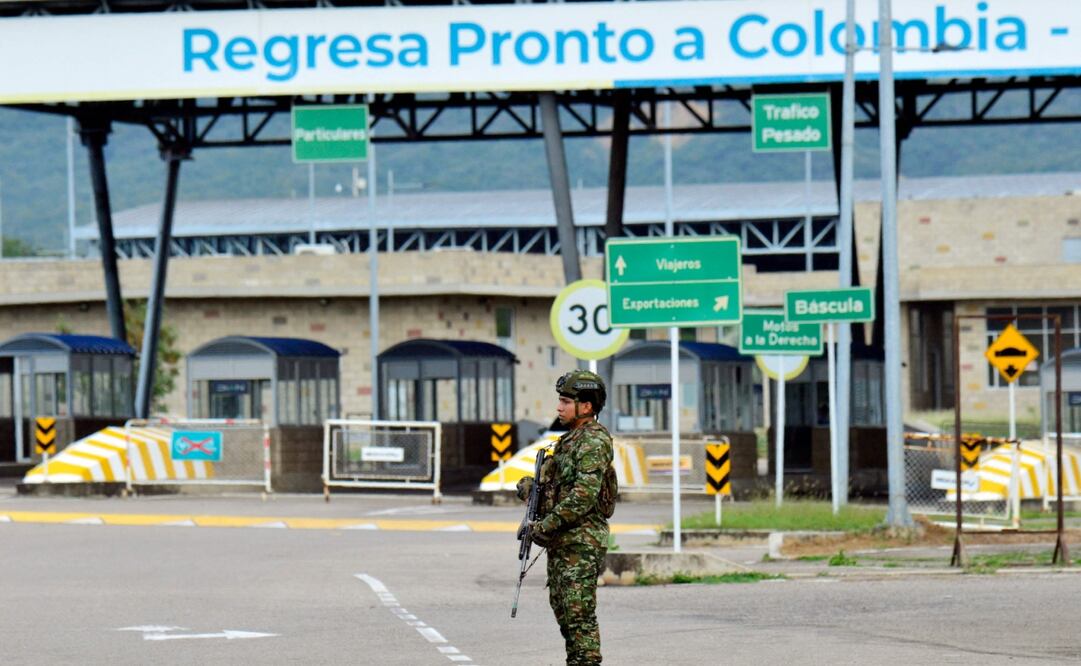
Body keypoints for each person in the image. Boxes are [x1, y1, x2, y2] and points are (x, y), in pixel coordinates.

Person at [517, 369, 614, 665]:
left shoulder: (593, 441)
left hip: (581, 543)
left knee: (579, 616)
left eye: (565, 401)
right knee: (564, 611)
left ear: (586, 406)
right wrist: (532, 489)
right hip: (563, 542)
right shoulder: (570, 440)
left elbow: (584, 495)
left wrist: (545, 525)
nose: (559, 407)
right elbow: (560, 488)